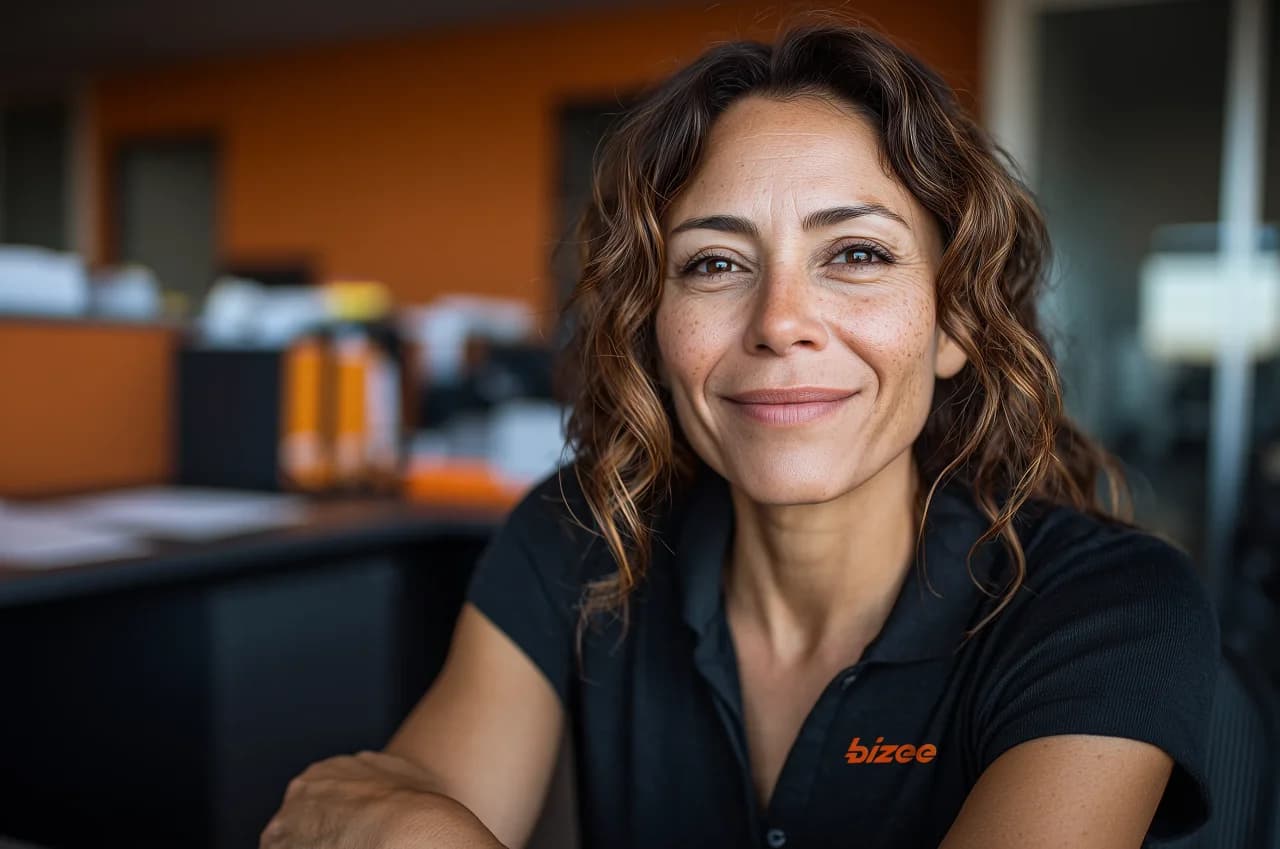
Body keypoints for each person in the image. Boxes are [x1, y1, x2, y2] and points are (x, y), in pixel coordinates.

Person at [261, 19, 1220, 849]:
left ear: (955, 323)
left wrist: (424, 832)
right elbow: (379, 801)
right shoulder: (581, 538)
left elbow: (400, 822)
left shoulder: (1106, 609)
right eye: (715, 263)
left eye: (857, 253)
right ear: (653, 323)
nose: (778, 321)